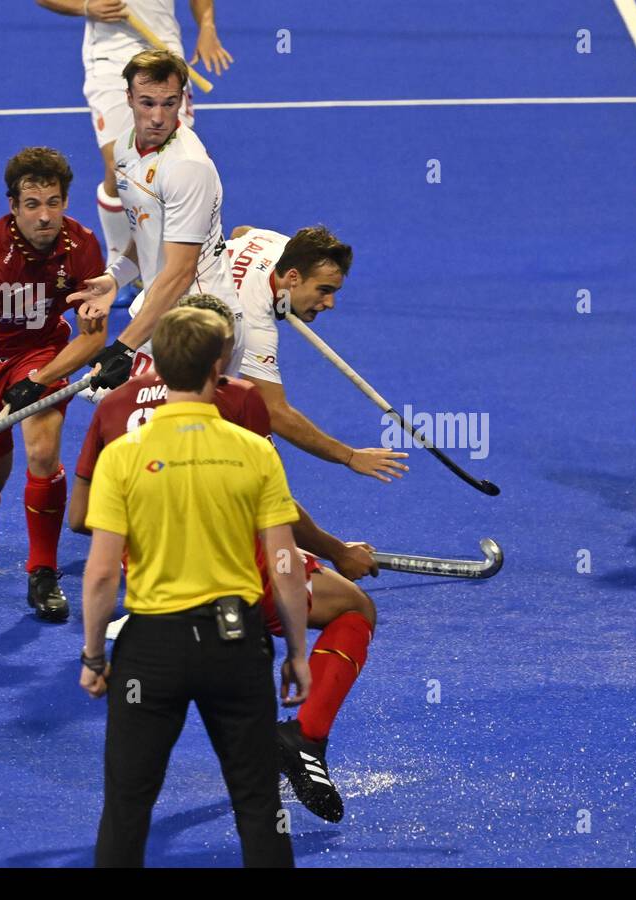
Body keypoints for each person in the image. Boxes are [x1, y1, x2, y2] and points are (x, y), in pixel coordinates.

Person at [71, 292, 381, 823]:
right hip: (235, 579)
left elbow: (79, 521)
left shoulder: (114, 405)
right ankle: (304, 736)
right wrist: (335, 551)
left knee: (129, 799)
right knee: (355, 608)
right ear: (216, 355)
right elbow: (271, 511)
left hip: (151, 590)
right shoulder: (238, 399)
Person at [80, 304, 309, 867]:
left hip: (152, 651)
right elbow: (284, 563)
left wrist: (92, 656)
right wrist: (297, 652)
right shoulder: (253, 450)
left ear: (156, 367)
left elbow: (103, 572)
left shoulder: (123, 457)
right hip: (237, 647)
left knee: (127, 806)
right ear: (218, 370)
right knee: (258, 803)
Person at [0, 146, 107, 620]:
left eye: (53, 202)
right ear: (14, 207)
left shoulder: (83, 246)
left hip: (40, 349)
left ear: (66, 201)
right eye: (32, 205)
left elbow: (95, 340)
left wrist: (40, 379)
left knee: (43, 449)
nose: (44, 215)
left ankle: (43, 572)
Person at [71, 49, 243, 393]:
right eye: (147, 103)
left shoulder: (186, 167)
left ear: (182, 100)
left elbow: (180, 271)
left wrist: (124, 346)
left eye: (169, 103)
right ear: (129, 99)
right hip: (161, 312)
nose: (158, 117)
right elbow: (147, 227)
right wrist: (116, 278)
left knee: (189, 439)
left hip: (200, 323)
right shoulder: (124, 149)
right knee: (124, 421)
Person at [33, 0, 233, 288]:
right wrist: (86, 7)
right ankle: (120, 268)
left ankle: (180, 259)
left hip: (164, 54)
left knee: (174, 165)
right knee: (117, 167)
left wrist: (207, 26)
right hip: (109, 58)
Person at [225, 224, 408, 483]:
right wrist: (349, 456)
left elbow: (241, 233)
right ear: (293, 277)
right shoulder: (252, 323)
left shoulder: (282, 250)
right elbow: (275, 412)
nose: (330, 304)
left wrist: (283, 299)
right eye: (324, 290)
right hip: (160, 371)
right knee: (259, 469)